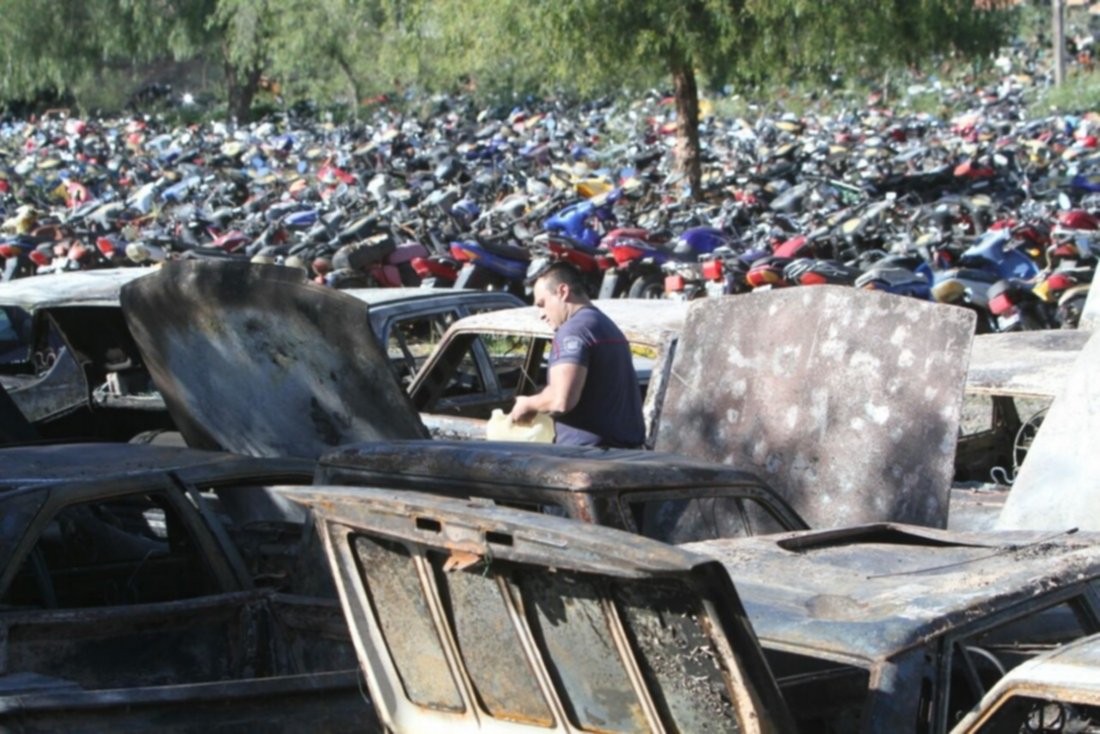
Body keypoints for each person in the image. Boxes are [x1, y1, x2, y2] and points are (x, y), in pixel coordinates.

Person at [508, 262, 645, 448]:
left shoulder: (572, 332)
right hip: (624, 453)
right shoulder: (606, 326)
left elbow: (561, 400)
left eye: (542, 304)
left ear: (562, 291)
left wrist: (528, 404)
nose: (541, 314)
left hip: (587, 459)